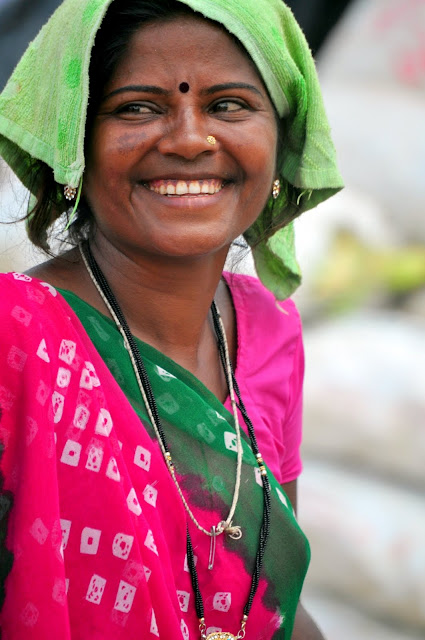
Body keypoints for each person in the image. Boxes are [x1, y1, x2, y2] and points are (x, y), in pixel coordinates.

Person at [0, 0, 343, 638]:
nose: (189, 139)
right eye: (137, 107)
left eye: (229, 105)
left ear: (282, 140)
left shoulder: (268, 331)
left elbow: (265, 600)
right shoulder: (13, 337)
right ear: (74, 142)